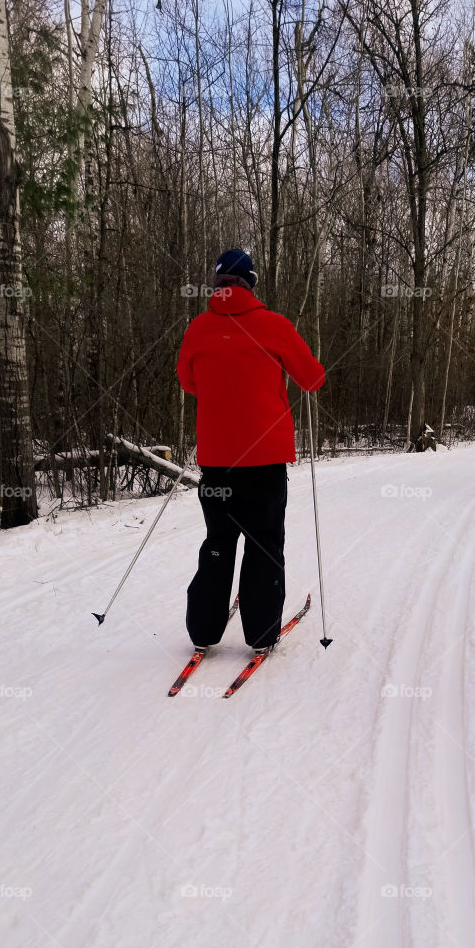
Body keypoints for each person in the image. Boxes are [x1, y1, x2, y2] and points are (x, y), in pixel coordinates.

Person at [176, 248, 325, 653]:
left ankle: (203, 631)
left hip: (216, 462)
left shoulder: (198, 329)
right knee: (263, 543)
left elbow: (188, 383)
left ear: (218, 284)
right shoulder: (274, 326)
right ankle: (260, 634)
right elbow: (312, 379)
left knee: (218, 542)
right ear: (250, 283)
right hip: (264, 462)